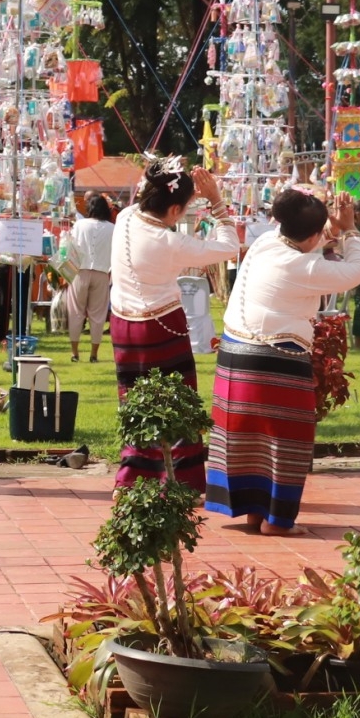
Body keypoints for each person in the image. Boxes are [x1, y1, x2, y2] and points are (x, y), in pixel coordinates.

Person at [207, 188, 360, 535]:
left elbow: (310, 241)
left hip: (235, 354)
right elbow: (358, 270)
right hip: (275, 359)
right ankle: (277, 520)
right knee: (285, 441)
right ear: (312, 234)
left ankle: (255, 511)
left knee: (249, 440)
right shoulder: (305, 265)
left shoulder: (268, 241)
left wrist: (333, 227)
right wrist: (350, 229)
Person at [108, 160, 241, 487]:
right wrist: (216, 201)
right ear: (174, 209)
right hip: (160, 323)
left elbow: (156, 199)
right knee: (177, 402)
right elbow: (229, 247)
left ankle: (133, 477)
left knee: (136, 401)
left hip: (123, 324)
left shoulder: (126, 217)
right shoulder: (170, 243)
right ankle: (183, 479)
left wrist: (183, 191)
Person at [63, 195, 115, 363]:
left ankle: (74, 352)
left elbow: (71, 246)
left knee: (75, 312)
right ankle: (94, 354)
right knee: (98, 315)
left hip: (80, 271)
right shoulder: (112, 228)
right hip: (101, 273)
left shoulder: (80, 225)